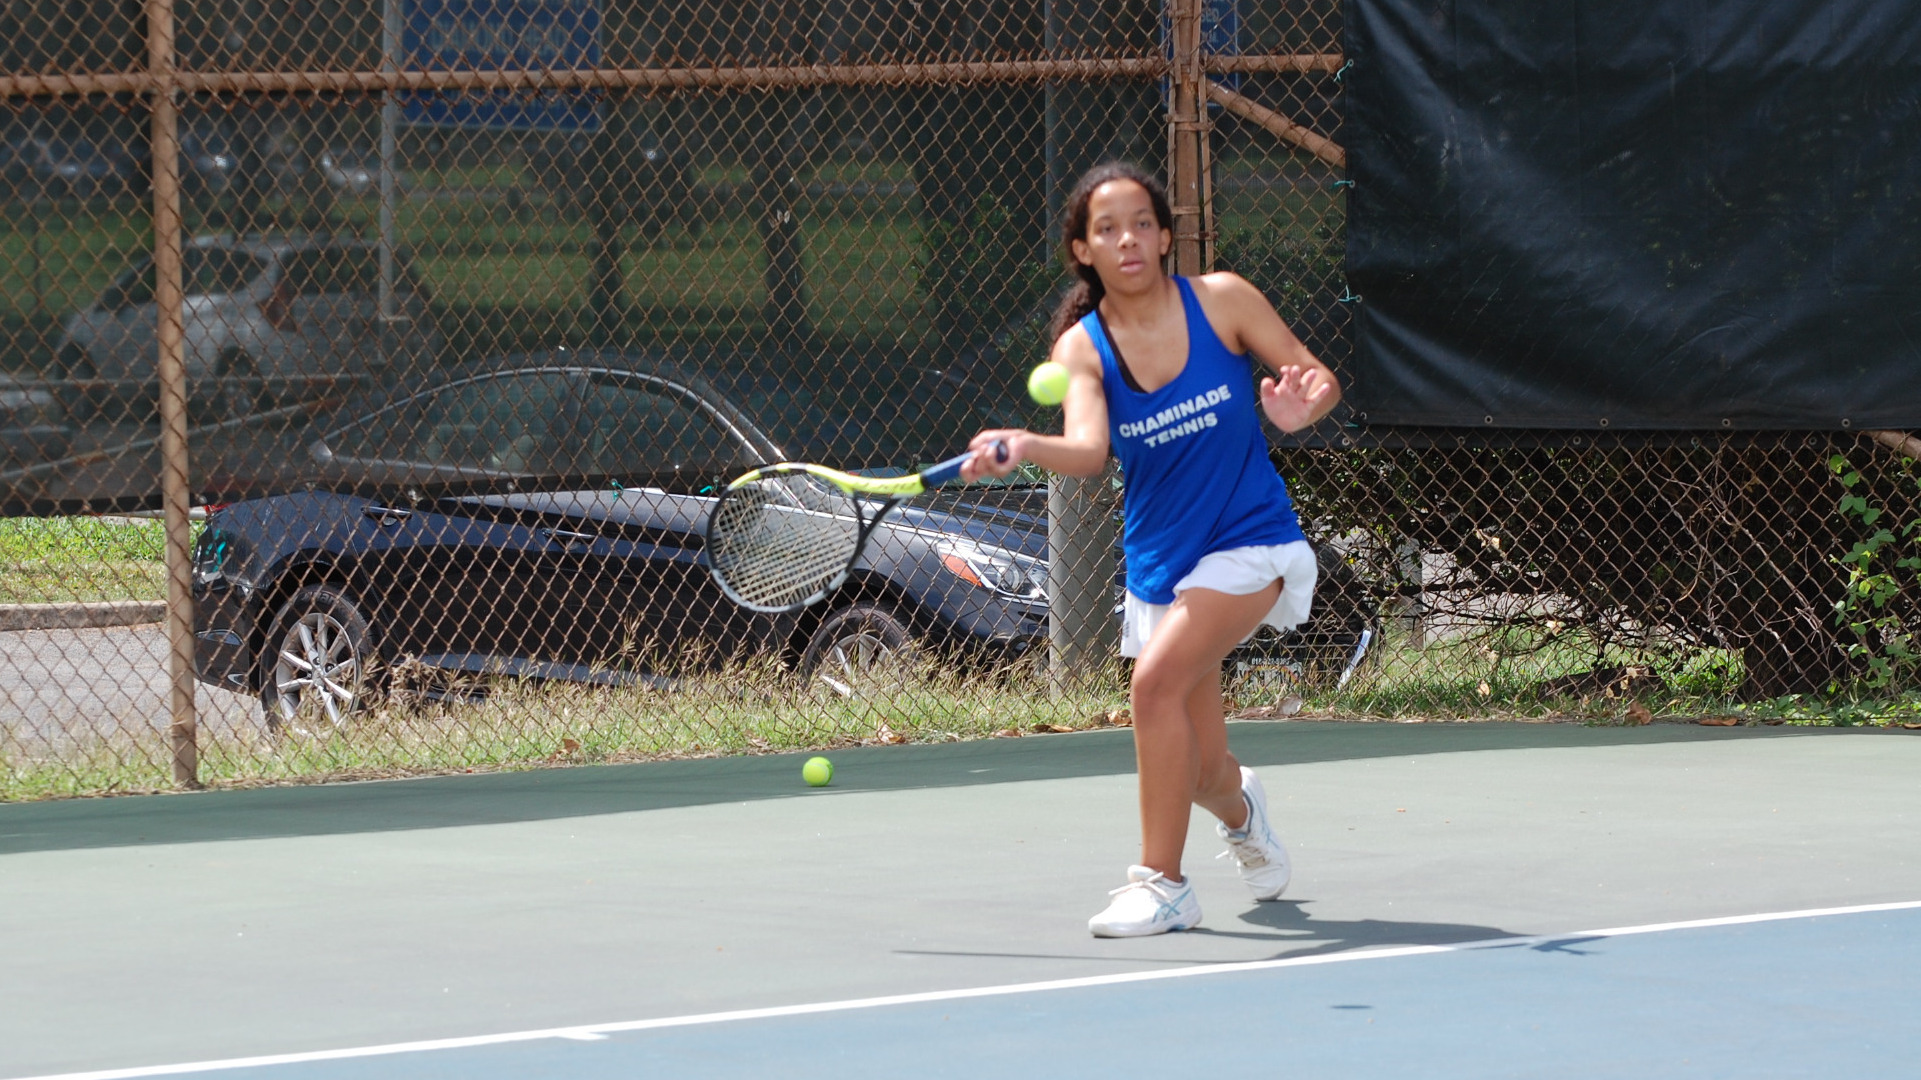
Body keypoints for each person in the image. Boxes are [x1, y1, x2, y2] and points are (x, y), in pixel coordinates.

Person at [961, 162, 1342, 937]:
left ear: (1165, 235)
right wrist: (1027, 444)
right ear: (1082, 250)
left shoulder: (1224, 300)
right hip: (1160, 565)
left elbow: (1313, 376)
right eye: (1106, 228)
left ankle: (1162, 882)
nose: (1126, 238)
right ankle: (1241, 812)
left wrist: (1304, 408)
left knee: (1151, 690)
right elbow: (1090, 450)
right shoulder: (1082, 348)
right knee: (1199, 770)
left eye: (1140, 222)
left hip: (1248, 540)